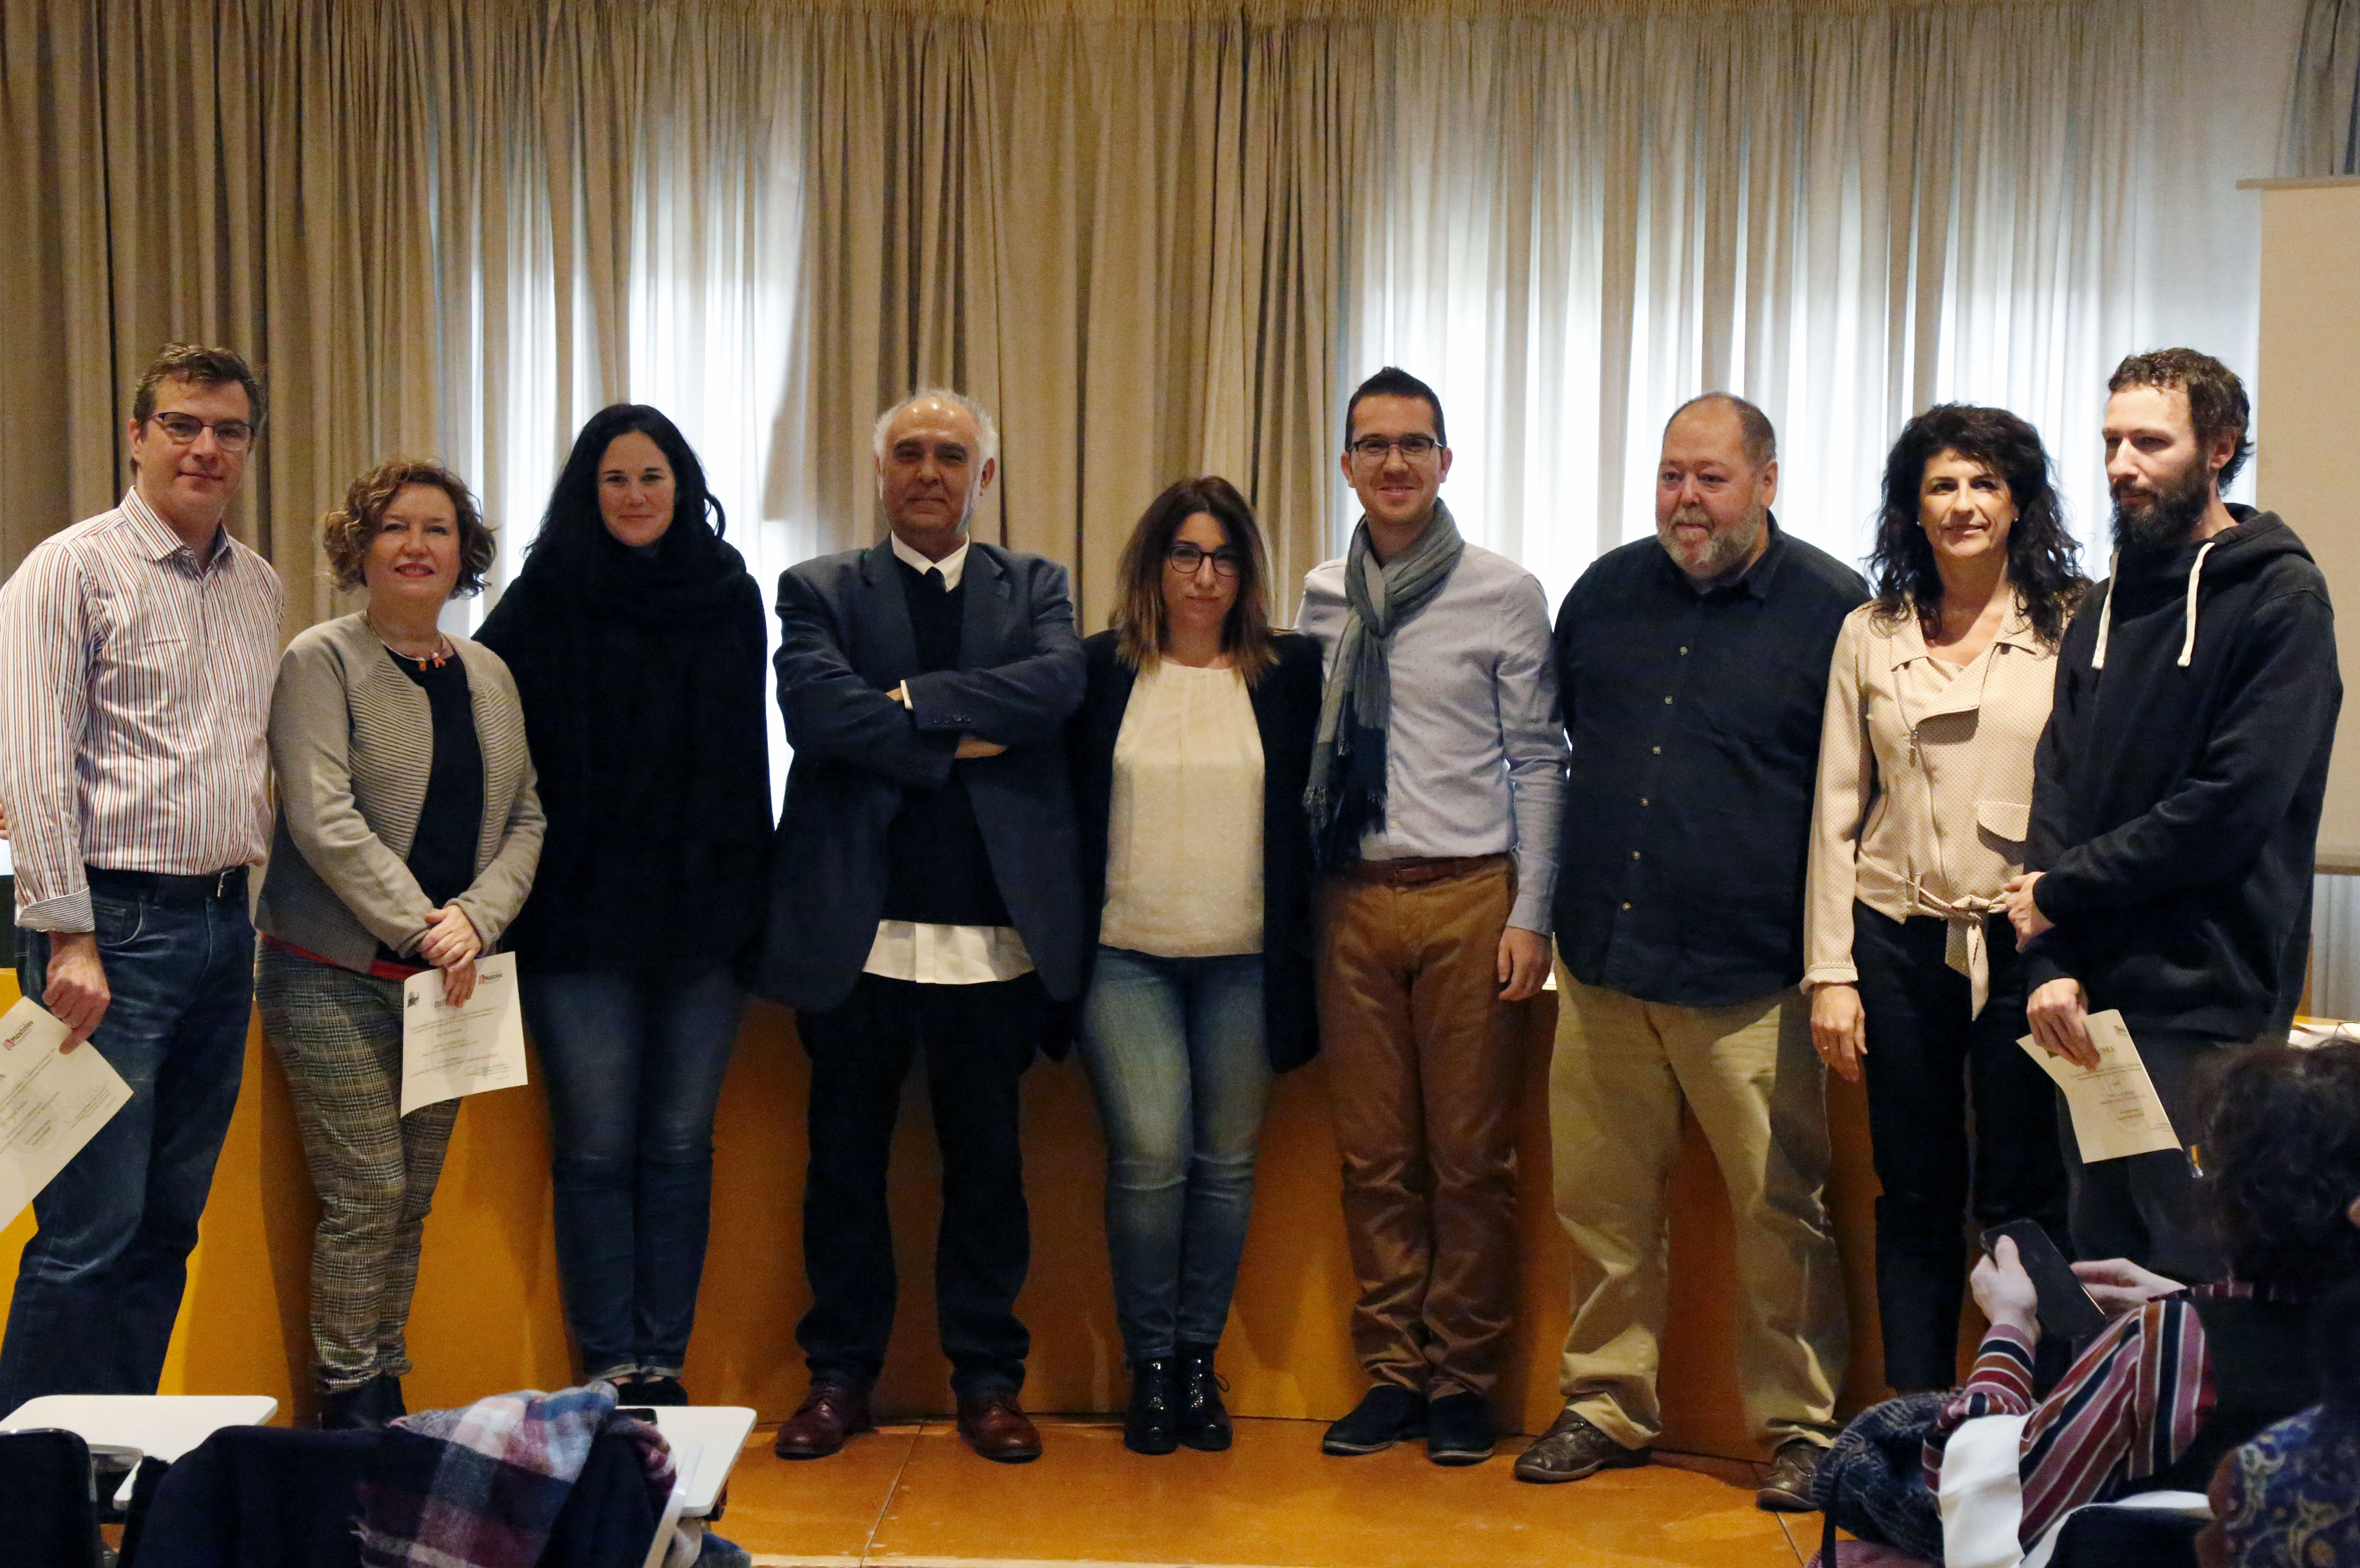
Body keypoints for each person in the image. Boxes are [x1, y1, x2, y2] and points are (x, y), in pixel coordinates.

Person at [1526, 393, 1860, 1507]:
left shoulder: (1835, 610)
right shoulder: (1603, 592)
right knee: (1603, 1210)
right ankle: (1604, 1403)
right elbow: (1560, 752)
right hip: (1604, 964)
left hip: (1749, 978)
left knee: (1779, 1217)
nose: (1687, 498)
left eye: (1711, 477)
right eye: (1672, 474)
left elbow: (1853, 799)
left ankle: (1799, 1427)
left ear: (1766, 481)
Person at [760, 389, 1085, 1463]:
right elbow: (815, 709)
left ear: (983, 476)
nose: (929, 471)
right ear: (880, 471)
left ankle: (988, 1380)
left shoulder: (1035, 585)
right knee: (843, 1170)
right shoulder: (817, 588)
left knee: (987, 1172)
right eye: (909, 452)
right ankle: (839, 1377)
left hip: (994, 938)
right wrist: (966, 726)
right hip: (852, 935)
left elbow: (1055, 688)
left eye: (951, 454)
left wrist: (901, 707)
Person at [2002, 349, 2340, 1282]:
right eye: (2111, 442)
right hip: (2085, 1015)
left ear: (2219, 447)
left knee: (2200, 1278)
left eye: (2149, 443)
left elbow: (2231, 806)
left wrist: (2058, 893)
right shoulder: (2101, 606)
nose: (2121, 465)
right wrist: (2050, 962)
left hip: (2208, 1012)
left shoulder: (2281, 598)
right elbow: (2055, 785)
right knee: (2102, 1269)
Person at [0, 345, 283, 1410]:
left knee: (168, 1227)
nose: (206, 447)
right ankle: (31, 1478)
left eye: (229, 430)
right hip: (105, 933)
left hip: (221, 929)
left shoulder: (259, 586)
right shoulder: (68, 569)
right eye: (181, 424)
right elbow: (31, 762)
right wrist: (67, 933)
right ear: (135, 436)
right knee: (89, 1231)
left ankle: (111, 1461)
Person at [476, 405, 771, 1406]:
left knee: (681, 1145)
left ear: (682, 485)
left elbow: (746, 761)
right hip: (578, 917)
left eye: (652, 476)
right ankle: (608, 1365)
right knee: (596, 1148)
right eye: (615, 478)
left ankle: (663, 1362)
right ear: (586, 491)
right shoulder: (542, 596)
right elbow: (483, 730)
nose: (636, 494)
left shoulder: (729, 591)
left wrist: (752, 908)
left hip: (705, 916)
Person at [1299, 366, 1564, 1467]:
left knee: (1469, 1161)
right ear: (1347, 463)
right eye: (1374, 444)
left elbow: (1538, 759)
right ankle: (1392, 1374)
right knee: (1373, 1160)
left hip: (1470, 897)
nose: (1395, 462)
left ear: (1446, 461)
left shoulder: (1504, 591)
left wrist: (1531, 913)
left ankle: (1462, 1379)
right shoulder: (1321, 595)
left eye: (1415, 443)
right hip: (1350, 900)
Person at [254, 460, 543, 1429]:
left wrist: (477, 921)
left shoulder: (490, 673)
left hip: (450, 984)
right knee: (368, 1190)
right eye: (394, 527)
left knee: (410, 1197)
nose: (416, 545)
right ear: (359, 546)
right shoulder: (321, 660)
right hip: (330, 973)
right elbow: (322, 817)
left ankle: (387, 1385)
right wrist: (427, 925)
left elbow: (528, 818)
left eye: (438, 529)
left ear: (465, 554)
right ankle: (349, 1403)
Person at [1803, 405, 2080, 1395]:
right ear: (1912, 508)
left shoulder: (2069, 624)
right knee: (1913, 1186)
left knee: (2024, 1188)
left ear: (2018, 503)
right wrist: (1831, 972)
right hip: (1896, 940)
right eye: (1941, 486)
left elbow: (2093, 790)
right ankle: (1912, 1417)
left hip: (2026, 943)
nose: (1963, 504)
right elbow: (1837, 806)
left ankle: (2031, 1419)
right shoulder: (1869, 632)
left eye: (1983, 484)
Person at [1067, 476, 1324, 1455]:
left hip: (1247, 964)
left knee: (1224, 1169)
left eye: (1223, 557)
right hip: (1123, 957)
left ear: (1247, 573)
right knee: (1149, 1154)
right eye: (1186, 554)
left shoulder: (1287, 672)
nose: (1204, 575)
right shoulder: (1100, 670)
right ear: (1155, 564)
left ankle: (1194, 1363)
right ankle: (1149, 1365)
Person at [1926, 1041, 2360, 1558]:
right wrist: (2189, 1301)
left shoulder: (2166, 1342)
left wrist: (2010, 1329)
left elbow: (2003, 1505)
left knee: (1887, 1444)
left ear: (2240, 1197)